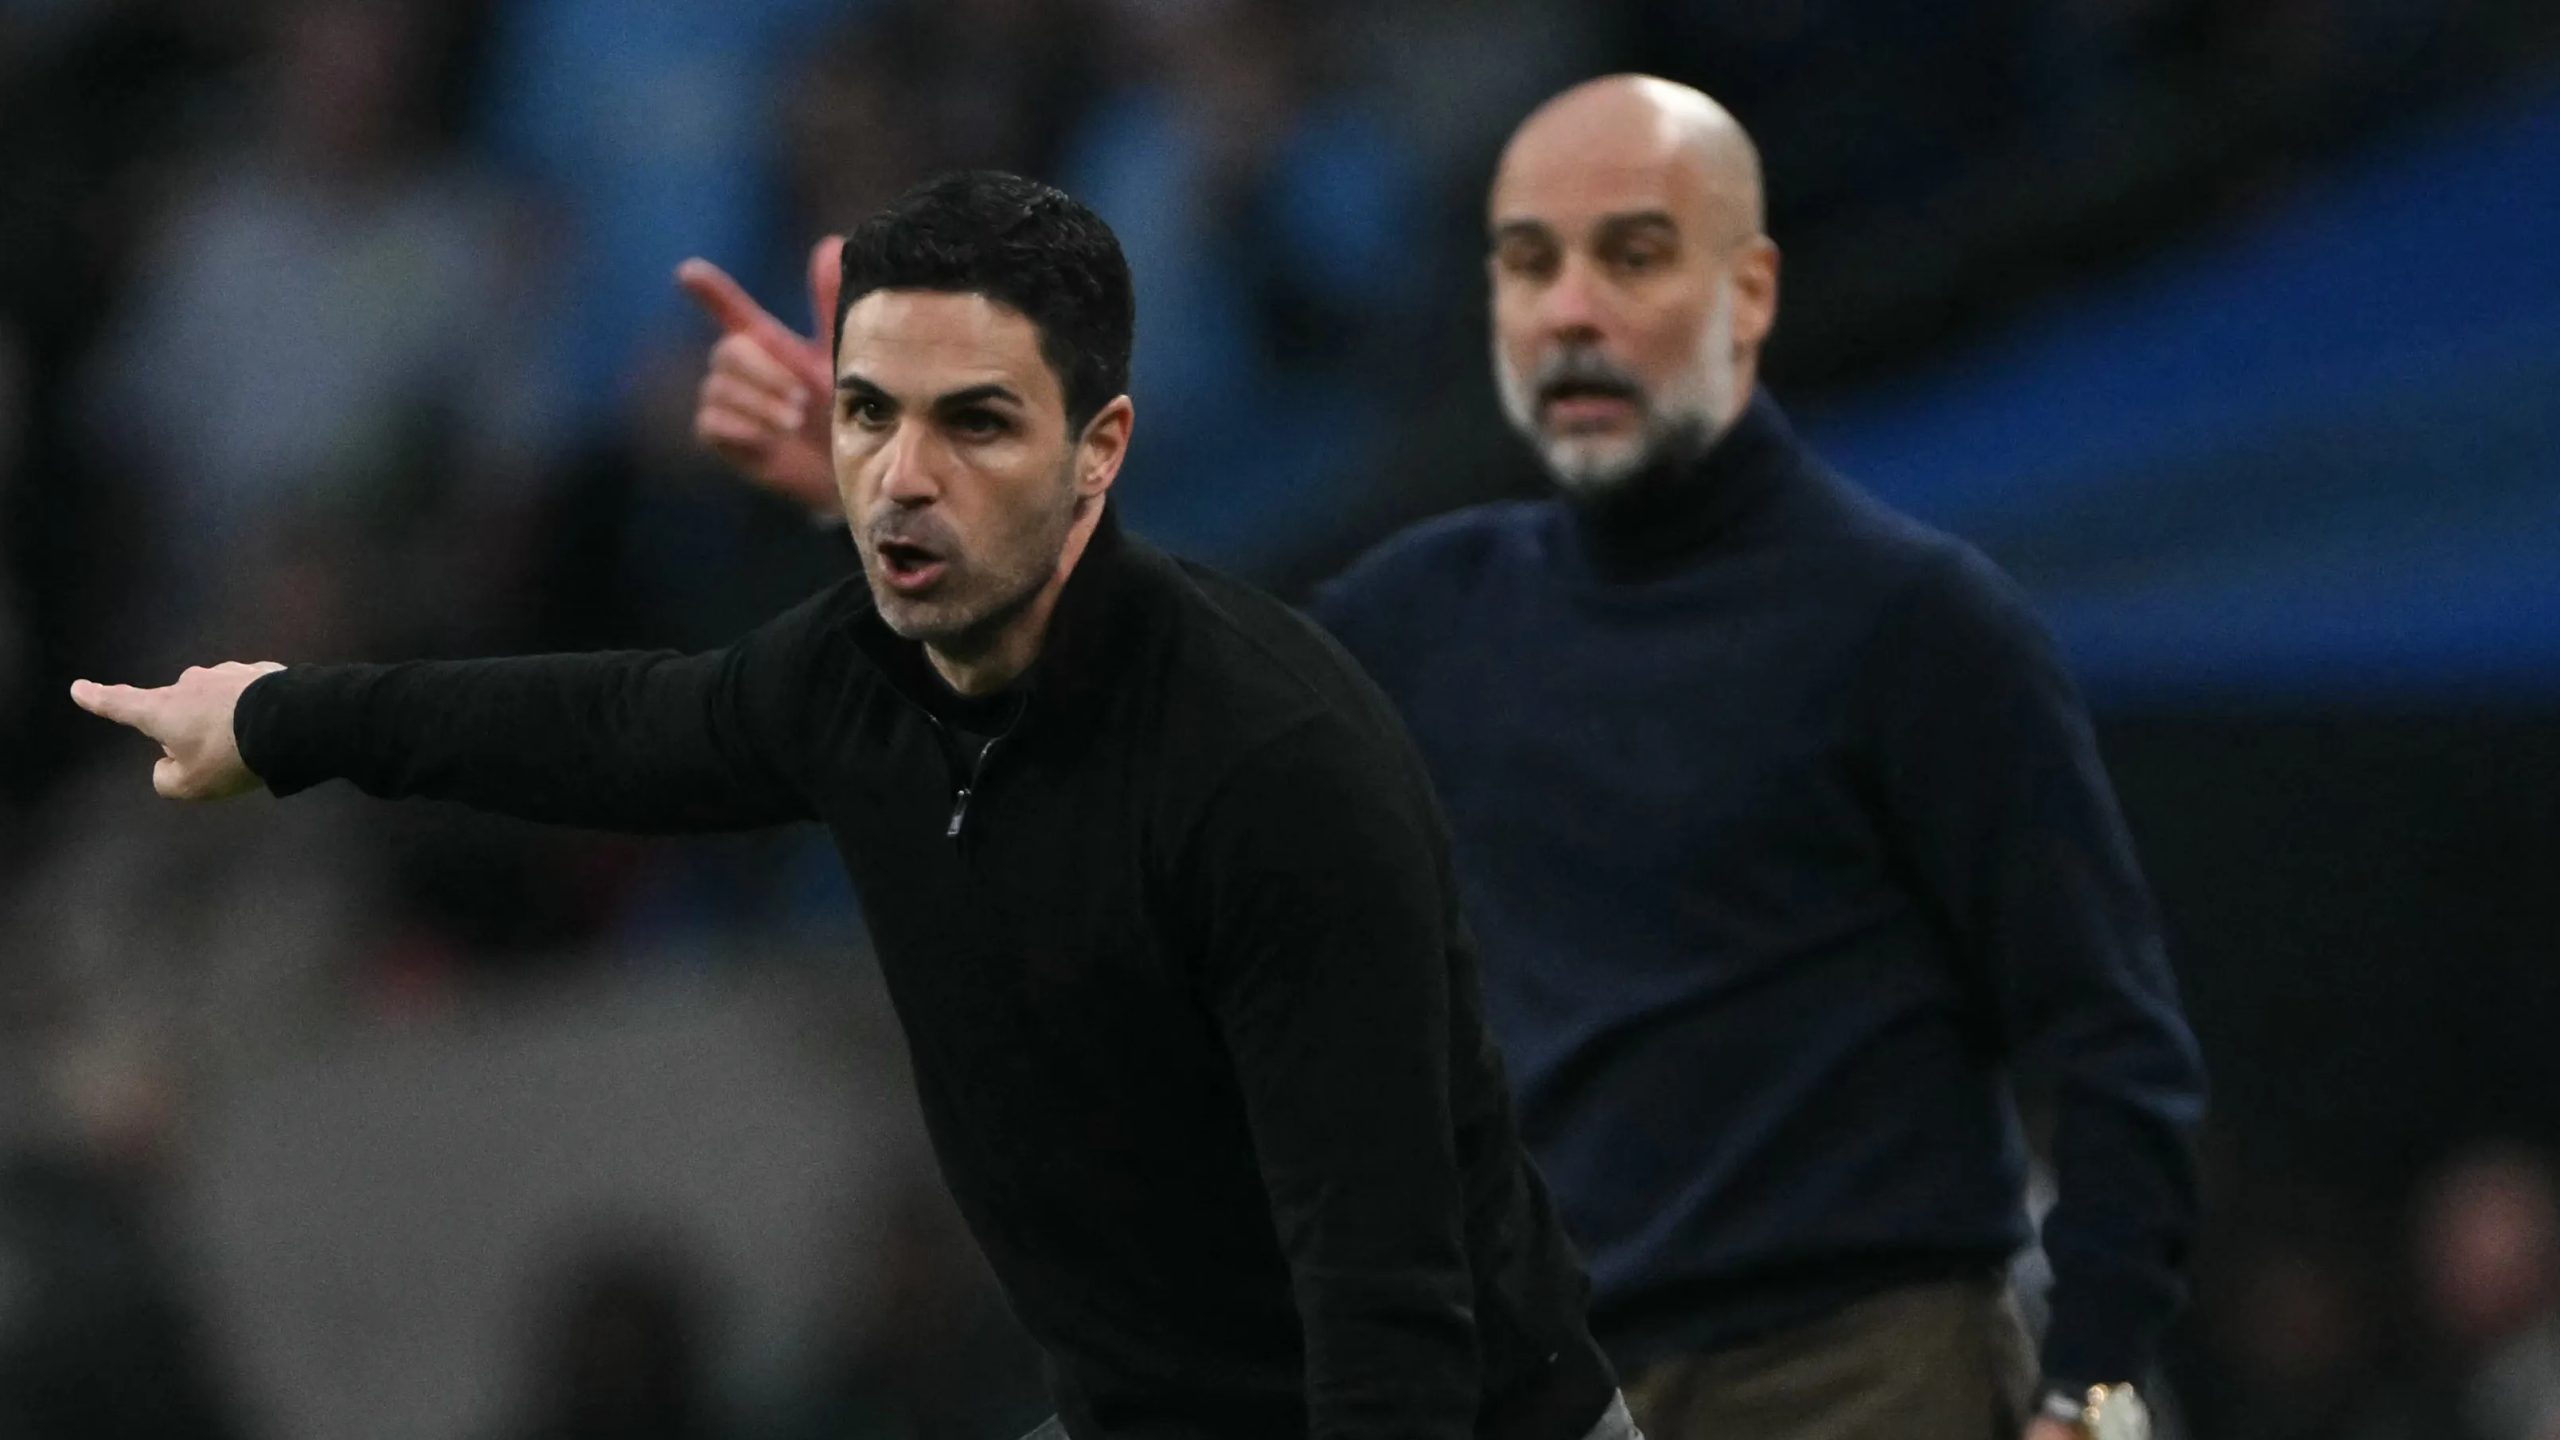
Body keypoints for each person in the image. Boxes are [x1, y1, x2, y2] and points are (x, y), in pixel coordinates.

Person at [679, 80, 2206, 1440]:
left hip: (1849, 1375)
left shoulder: (1916, 624)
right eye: (1529, 262)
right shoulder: (1420, 616)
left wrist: (2092, 1387)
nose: (1571, 310)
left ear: (1748, 290)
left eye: (1631, 256)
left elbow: (2112, 1049)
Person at [71, 170, 1633, 1440]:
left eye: (975, 422)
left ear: (1100, 452)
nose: (899, 478)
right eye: (871, 414)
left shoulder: (1269, 766)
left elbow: (1388, 1307)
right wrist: (280, 717)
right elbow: (612, 727)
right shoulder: (860, 675)